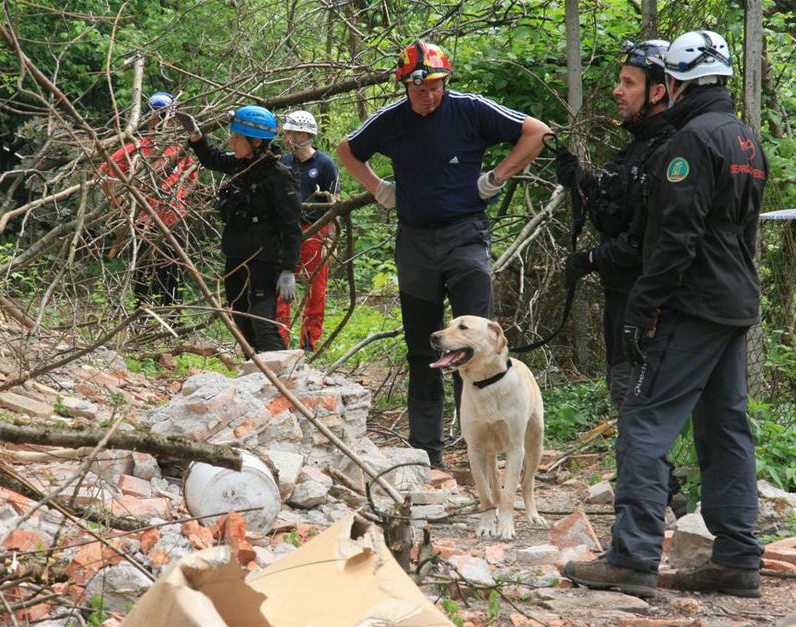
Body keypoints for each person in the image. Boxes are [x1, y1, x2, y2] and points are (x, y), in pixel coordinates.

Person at [564, 30, 768, 599]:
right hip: (734, 303)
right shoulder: (746, 140)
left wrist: (644, 306)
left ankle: (631, 557)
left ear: (672, 83)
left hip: (691, 303)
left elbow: (674, 239)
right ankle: (736, 561)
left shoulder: (688, 144)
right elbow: (742, 232)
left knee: (643, 422)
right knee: (725, 427)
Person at [337, 40, 550, 467]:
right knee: (423, 348)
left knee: (475, 345)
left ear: (444, 81)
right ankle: (426, 452)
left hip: (466, 235)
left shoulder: (470, 109)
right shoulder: (391, 121)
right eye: (419, 88)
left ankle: (481, 448)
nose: (428, 95)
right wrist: (379, 188)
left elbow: (538, 132)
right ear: (404, 85)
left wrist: (496, 177)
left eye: (435, 86)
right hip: (415, 240)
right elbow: (346, 150)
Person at [555, 40, 675, 411]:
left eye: (628, 83)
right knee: (623, 391)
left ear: (658, 91)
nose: (616, 90)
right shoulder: (639, 143)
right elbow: (614, 209)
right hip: (621, 298)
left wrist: (589, 259)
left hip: (649, 305)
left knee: (636, 399)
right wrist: (578, 181)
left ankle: (646, 470)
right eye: (619, 81)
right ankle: (636, 468)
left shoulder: (669, 149)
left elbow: (643, 243)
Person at [174, 106, 302, 354]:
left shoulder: (279, 176)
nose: (231, 141)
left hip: (264, 260)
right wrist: (196, 135)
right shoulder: (239, 165)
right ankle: (253, 375)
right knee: (240, 319)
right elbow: (211, 158)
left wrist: (288, 269)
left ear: (255, 141)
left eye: (237, 137)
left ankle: (282, 379)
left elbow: (291, 226)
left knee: (261, 323)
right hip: (236, 256)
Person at [99, 91, 197, 306]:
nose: (161, 121)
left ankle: (171, 317)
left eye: (165, 116)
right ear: (149, 117)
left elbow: (191, 177)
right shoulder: (137, 148)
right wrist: (121, 204)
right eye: (158, 116)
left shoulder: (180, 150)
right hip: (145, 222)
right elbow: (106, 173)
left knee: (174, 272)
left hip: (174, 221)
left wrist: (179, 198)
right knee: (143, 274)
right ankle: (141, 317)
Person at [276, 110, 340, 351]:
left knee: (316, 290)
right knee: (282, 286)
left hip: (316, 230)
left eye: (290, 132)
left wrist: (330, 241)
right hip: (286, 231)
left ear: (303, 134)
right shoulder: (283, 162)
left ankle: (309, 343)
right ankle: (279, 341)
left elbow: (335, 203)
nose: (286, 137)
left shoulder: (325, 164)